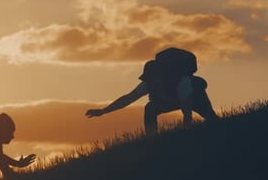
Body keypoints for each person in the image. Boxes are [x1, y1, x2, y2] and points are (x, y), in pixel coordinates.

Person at [86, 57, 219, 135]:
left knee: (213, 121)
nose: (152, 81)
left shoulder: (183, 83)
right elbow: (128, 99)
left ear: (161, 75)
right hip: (172, 100)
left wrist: (185, 135)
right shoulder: (148, 84)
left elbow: (187, 111)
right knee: (150, 107)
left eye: (153, 78)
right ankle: (151, 139)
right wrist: (103, 111)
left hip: (196, 97)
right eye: (149, 78)